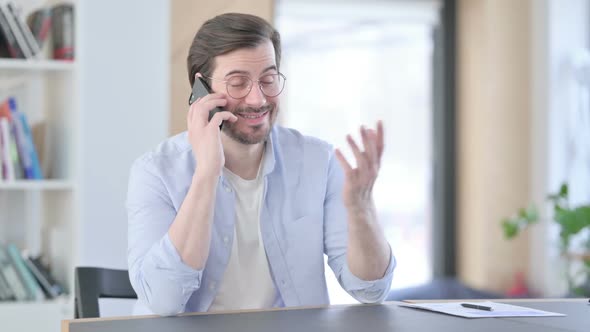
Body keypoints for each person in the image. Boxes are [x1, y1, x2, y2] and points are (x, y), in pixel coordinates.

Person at [126, 13, 395, 316]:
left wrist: (361, 210)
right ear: (201, 90)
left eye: (268, 80)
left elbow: (370, 290)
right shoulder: (155, 172)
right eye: (238, 83)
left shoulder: (318, 162)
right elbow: (163, 302)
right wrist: (207, 172)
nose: (257, 99)